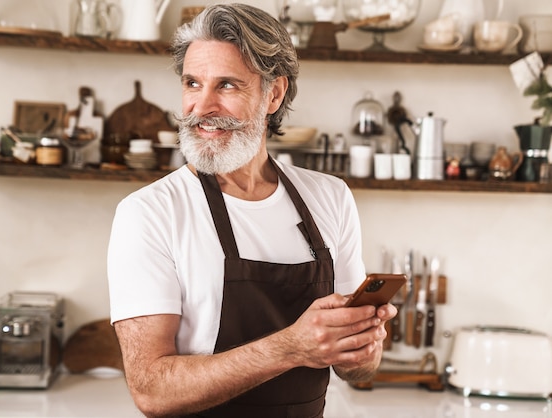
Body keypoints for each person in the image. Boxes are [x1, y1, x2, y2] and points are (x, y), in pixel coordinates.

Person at [107, 3, 396, 417]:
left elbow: (359, 370)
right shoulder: (150, 213)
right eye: (192, 83)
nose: (202, 107)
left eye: (226, 85)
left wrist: (363, 345)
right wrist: (291, 346)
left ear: (273, 94)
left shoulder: (330, 198)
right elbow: (151, 391)